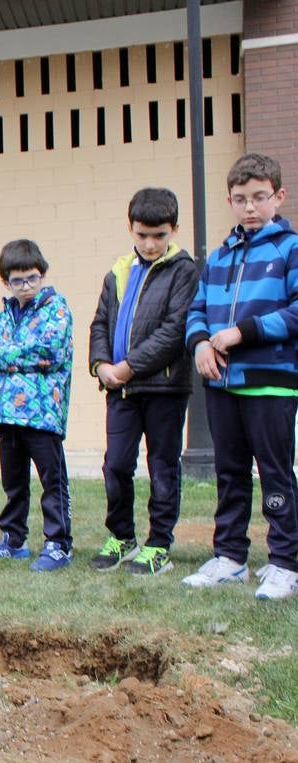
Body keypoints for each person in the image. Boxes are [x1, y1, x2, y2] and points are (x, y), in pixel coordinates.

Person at [182, 152, 298, 602]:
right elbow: (196, 309)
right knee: (229, 473)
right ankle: (229, 557)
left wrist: (240, 332)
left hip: (270, 382)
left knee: (274, 473)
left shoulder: (289, 249)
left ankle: (285, 561)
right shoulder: (218, 256)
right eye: (240, 199)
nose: (250, 207)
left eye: (259, 197)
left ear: (278, 196)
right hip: (222, 385)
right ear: (230, 201)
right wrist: (200, 345)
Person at [88, 188, 197, 576]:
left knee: (162, 465)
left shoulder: (184, 270)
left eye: (159, 235)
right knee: (116, 464)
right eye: (142, 235)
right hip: (120, 389)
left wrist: (129, 366)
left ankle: (158, 545)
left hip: (164, 388)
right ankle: (122, 537)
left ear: (174, 231)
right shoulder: (118, 270)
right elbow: (100, 322)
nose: (150, 244)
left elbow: (174, 330)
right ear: (130, 229)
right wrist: (101, 364)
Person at [0, 240, 74, 571]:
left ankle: (58, 544)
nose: (26, 286)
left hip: (42, 414)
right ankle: (13, 541)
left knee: (52, 481)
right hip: (5, 414)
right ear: (6, 282)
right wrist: (8, 353)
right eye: (18, 280)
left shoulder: (56, 310)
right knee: (14, 483)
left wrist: (2, 355)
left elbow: (49, 352)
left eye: (32, 278)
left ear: (42, 274)